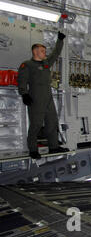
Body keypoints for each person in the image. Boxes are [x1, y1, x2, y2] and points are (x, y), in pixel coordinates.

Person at [17, 31, 70, 159]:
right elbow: (22, 81)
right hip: (36, 99)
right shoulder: (27, 65)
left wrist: (60, 40)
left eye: (44, 51)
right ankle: (33, 150)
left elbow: (55, 54)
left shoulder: (46, 64)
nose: (44, 53)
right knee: (35, 125)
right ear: (35, 52)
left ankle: (53, 147)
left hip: (48, 98)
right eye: (42, 51)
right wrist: (24, 94)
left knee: (52, 122)